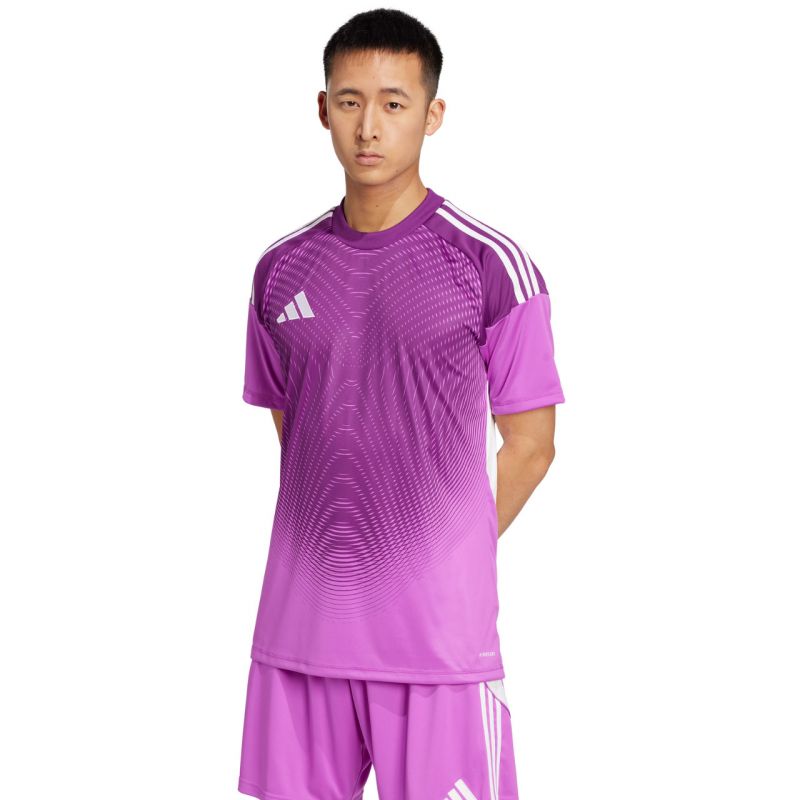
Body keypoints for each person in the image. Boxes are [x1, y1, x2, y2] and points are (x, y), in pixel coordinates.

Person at [238, 9, 565, 800]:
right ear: (323, 110)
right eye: (350, 102)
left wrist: (438, 552)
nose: (369, 127)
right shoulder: (280, 269)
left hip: (437, 646)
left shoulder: (490, 263)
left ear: (433, 113)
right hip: (300, 635)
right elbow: (297, 427)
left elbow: (531, 444)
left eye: (394, 102)